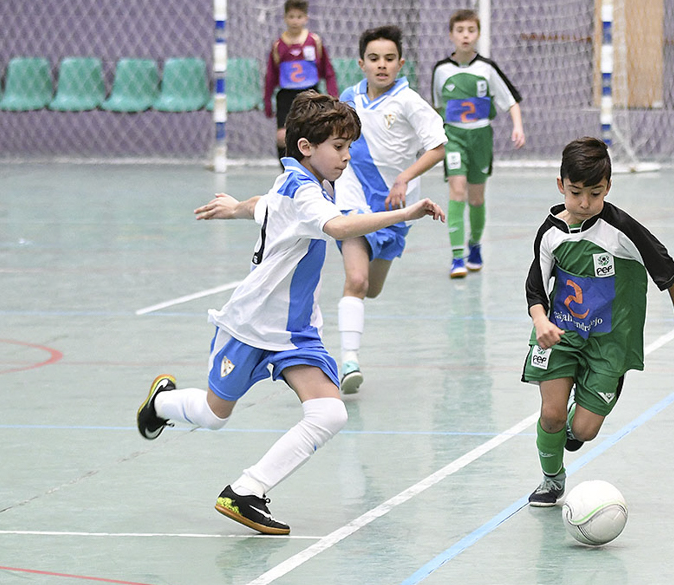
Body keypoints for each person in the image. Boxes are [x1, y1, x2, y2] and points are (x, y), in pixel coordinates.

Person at [136, 91, 446, 535]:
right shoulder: (306, 193)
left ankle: (247, 490)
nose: (346, 156)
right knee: (212, 414)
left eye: (349, 146)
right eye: (338, 147)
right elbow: (336, 226)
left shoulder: (303, 182)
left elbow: (265, 204)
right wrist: (404, 212)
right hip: (250, 324)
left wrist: (235, 208)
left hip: (296, 331)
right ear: (307, 148)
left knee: (330, 413)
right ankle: (161, 402)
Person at [521, 137, 674, 507]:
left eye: (595, 193)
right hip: (561, 333)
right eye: (576, 193)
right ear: (561, 186)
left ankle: (578, 419)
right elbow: (535, 289)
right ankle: (552, 480)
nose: (585, 203)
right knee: (552, 414)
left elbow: (666, 269)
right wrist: (541, 321)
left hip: (609, 341)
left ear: (608, 187)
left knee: (583, 431)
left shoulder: (621, 230)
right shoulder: (550, 234)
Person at [333, 25, 448, 395]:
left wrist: (405, 178)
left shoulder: (409, 101)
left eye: (388, 59)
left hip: (396, 208)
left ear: (400, 63)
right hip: (352, 200)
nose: (381, 65)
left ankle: (352, 319)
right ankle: (348, 360)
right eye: (373, 59)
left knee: (373, 288)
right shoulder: (348, 98)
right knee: (357, 281)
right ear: (361, 63)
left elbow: (438, 146)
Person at [432, 9, 525, 278]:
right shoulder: (441, 70)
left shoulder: (487, 68)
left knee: (476, 197)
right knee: (457, 192)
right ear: (451, 35)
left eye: (471, 30)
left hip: (481, 138)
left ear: (478, 34)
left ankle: (474, 246)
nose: (465, 35)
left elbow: (510, 100)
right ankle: (457, 256)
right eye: (460, 30)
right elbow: (437, 108)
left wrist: (517, 127)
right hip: (454, 137)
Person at [264, 0, 338, 160]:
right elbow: (270, 75)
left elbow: (328, 71)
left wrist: (334, 96)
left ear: (306, 18)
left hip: (311, 93)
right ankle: (287, 172)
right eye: (291, 16)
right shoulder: (278, 46)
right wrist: (267, 101)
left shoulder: (314, 42)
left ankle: (312, 169)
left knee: (314, 135)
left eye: (299, 16)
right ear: (285, 18)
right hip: (287, 96)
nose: (295, 20)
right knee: (282, 136)